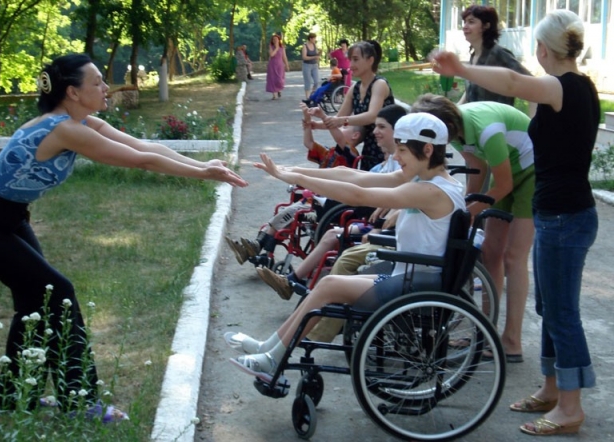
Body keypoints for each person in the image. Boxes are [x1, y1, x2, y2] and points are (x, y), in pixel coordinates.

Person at [0, 54, 247, 419]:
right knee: (58, 293)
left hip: (5, 217)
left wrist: (204, 164)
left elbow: (144, 147)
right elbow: (140, 163)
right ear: (72, 91)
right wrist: (203, 176)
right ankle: (79, 401)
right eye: (98, 82)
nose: (107, 87)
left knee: (35, 301)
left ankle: (15, 397)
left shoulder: (80, 121)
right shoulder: (63, 129)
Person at [432, 9, 600, 436]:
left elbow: (510, 82)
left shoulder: (564, 87)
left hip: (566, 217)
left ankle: (571, 407)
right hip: (555, 214)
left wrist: (459, 67)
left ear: (544, 49)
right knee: (550, 309)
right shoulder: (567, 91)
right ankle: (550, 389)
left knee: (562, 313)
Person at [224, 112, 465, 384]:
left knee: (329, 285)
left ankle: (272, 357)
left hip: (413, 281)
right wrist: (290, 172)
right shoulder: (427, 180)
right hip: (410, 274)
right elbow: (352, 176)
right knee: (329, 284)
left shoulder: (430, 191)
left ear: (428, 149)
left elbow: (358, 194)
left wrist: (293, 177)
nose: (397, 157)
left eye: (402, 150)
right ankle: (268, 348)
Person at [412, 93, 534, 363]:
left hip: (530, 171)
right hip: (506, 174)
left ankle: (511, 340)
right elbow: (476, 168)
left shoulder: (485, 128)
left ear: (446, 126)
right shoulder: (454, 130)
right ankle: (484, 330)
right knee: (491, 252)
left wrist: (466, 213)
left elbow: (503, 185)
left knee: (514, 257)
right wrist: (464, 206)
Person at [256, 104, 407, 301]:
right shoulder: (385, 164)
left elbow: (358, 190)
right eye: (375, 127)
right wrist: (291, 171)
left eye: (381, 127)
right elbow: (346, 174)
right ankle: (267, 252)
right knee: (299, 209)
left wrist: (294, 176)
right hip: (360, 214)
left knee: (317, 225)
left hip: (371, 224)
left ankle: (298, 283)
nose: (375, 132)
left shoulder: (397, 168)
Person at [225, 103, 366, 265]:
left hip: (327, 203)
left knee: (288, 212)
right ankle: (260, 249)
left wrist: (323, 117)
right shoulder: (330, 153)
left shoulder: (351, 155)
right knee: (284, 211)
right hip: (314, 198)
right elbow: (309, 144)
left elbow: (339, 138)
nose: (339, 128)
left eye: (344, 127)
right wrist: (307, 120)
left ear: (355, 136)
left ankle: (258, 245)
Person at [314, 40, 395, 171]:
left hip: (388, 148)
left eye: (356, 59)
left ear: (370, 60)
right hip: (370, 150)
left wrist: (342, 120)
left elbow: (372, 115)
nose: (351, 65)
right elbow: (338, 120)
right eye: (350, 60)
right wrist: (314, 125)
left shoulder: (379, 84)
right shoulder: (355, 88)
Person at [458, 5, 531, 106]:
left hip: (498, 120)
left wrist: (533, 120)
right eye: (465, 22)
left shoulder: (499, 54)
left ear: (486, 26)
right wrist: (456, 109)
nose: (465, 26)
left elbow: (531, 84)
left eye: (471, 22)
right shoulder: (474, 56)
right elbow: (471, 90)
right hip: (476, 119)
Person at [266, 34, 289, 100]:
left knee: (279, 79)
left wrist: (287, 65)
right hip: (272, 65)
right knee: (272, 79)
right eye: (273, 40)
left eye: (276, 39)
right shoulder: (271, 47)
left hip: (280, 65)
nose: (275, 40)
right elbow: (271, 55)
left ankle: (279, 90)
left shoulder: (282, 48)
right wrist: (276, 48)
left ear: (279, 40)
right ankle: (274, 95)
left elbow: (284, 57)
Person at [302, 33, 321, 99]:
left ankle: (312, 94)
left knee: (316, 81)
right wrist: (314, 57)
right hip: (307, 65)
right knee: (308, 81)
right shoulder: (305, 46)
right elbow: (304, 57)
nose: (315, 40)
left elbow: (316, 55)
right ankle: (307, 97)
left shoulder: (314, 45)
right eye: (314, 38)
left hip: (314, 65)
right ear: (310, 38)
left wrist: (318, 54)